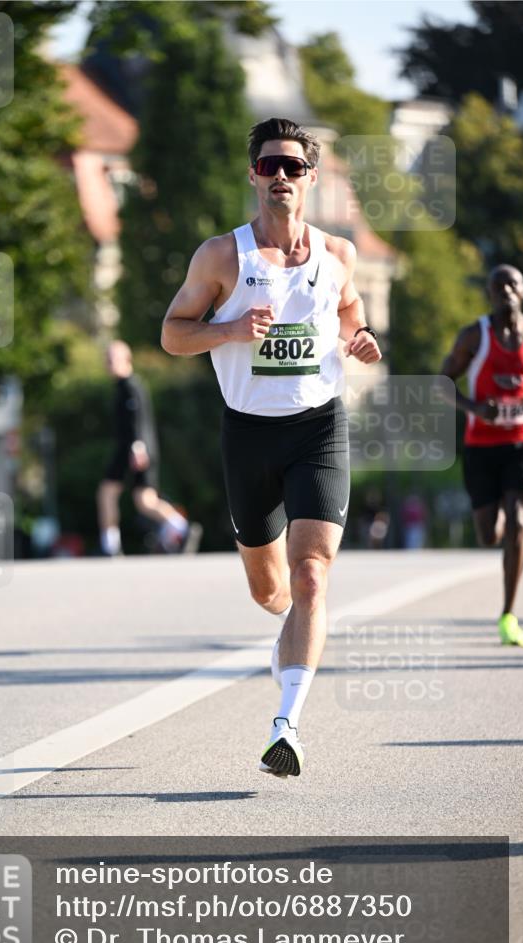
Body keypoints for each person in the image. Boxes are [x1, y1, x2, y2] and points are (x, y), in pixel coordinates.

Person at [161, 118, 382, 778]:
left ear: (310, 178)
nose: (279, 176)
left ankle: (285, 722)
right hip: (247, 433)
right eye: (267, 166)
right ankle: (286, 632)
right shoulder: (221, 257)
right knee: (271, 593)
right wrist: (227, 329)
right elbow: (173, 334)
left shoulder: (338, 254)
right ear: (253, 176)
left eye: (291, 166)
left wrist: (361, 339)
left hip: (317, 428)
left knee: (312, 571)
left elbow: (350, 315)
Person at [441, 263, 523, 648]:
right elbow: (442, 383)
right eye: (497, 285)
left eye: (512, 283)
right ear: (489, 295)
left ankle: (508, 615)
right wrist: (476, 409)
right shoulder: (474, 336)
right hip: (481, 448)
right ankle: (499, 534)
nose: (505, 289)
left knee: (519, 520)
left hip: (521, 446)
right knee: (489, 534)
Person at [97, 340, 201, 556]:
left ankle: (110, 545)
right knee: (143, 500)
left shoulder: (130, 387)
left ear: (126, 360)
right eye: (106, 359)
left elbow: (137, 420)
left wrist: (137, 447)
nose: (108, 364)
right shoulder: (126, 386)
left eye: (112, 359)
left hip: (134, 449)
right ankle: (181, 527)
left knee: (112, 494)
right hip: (135, 449)